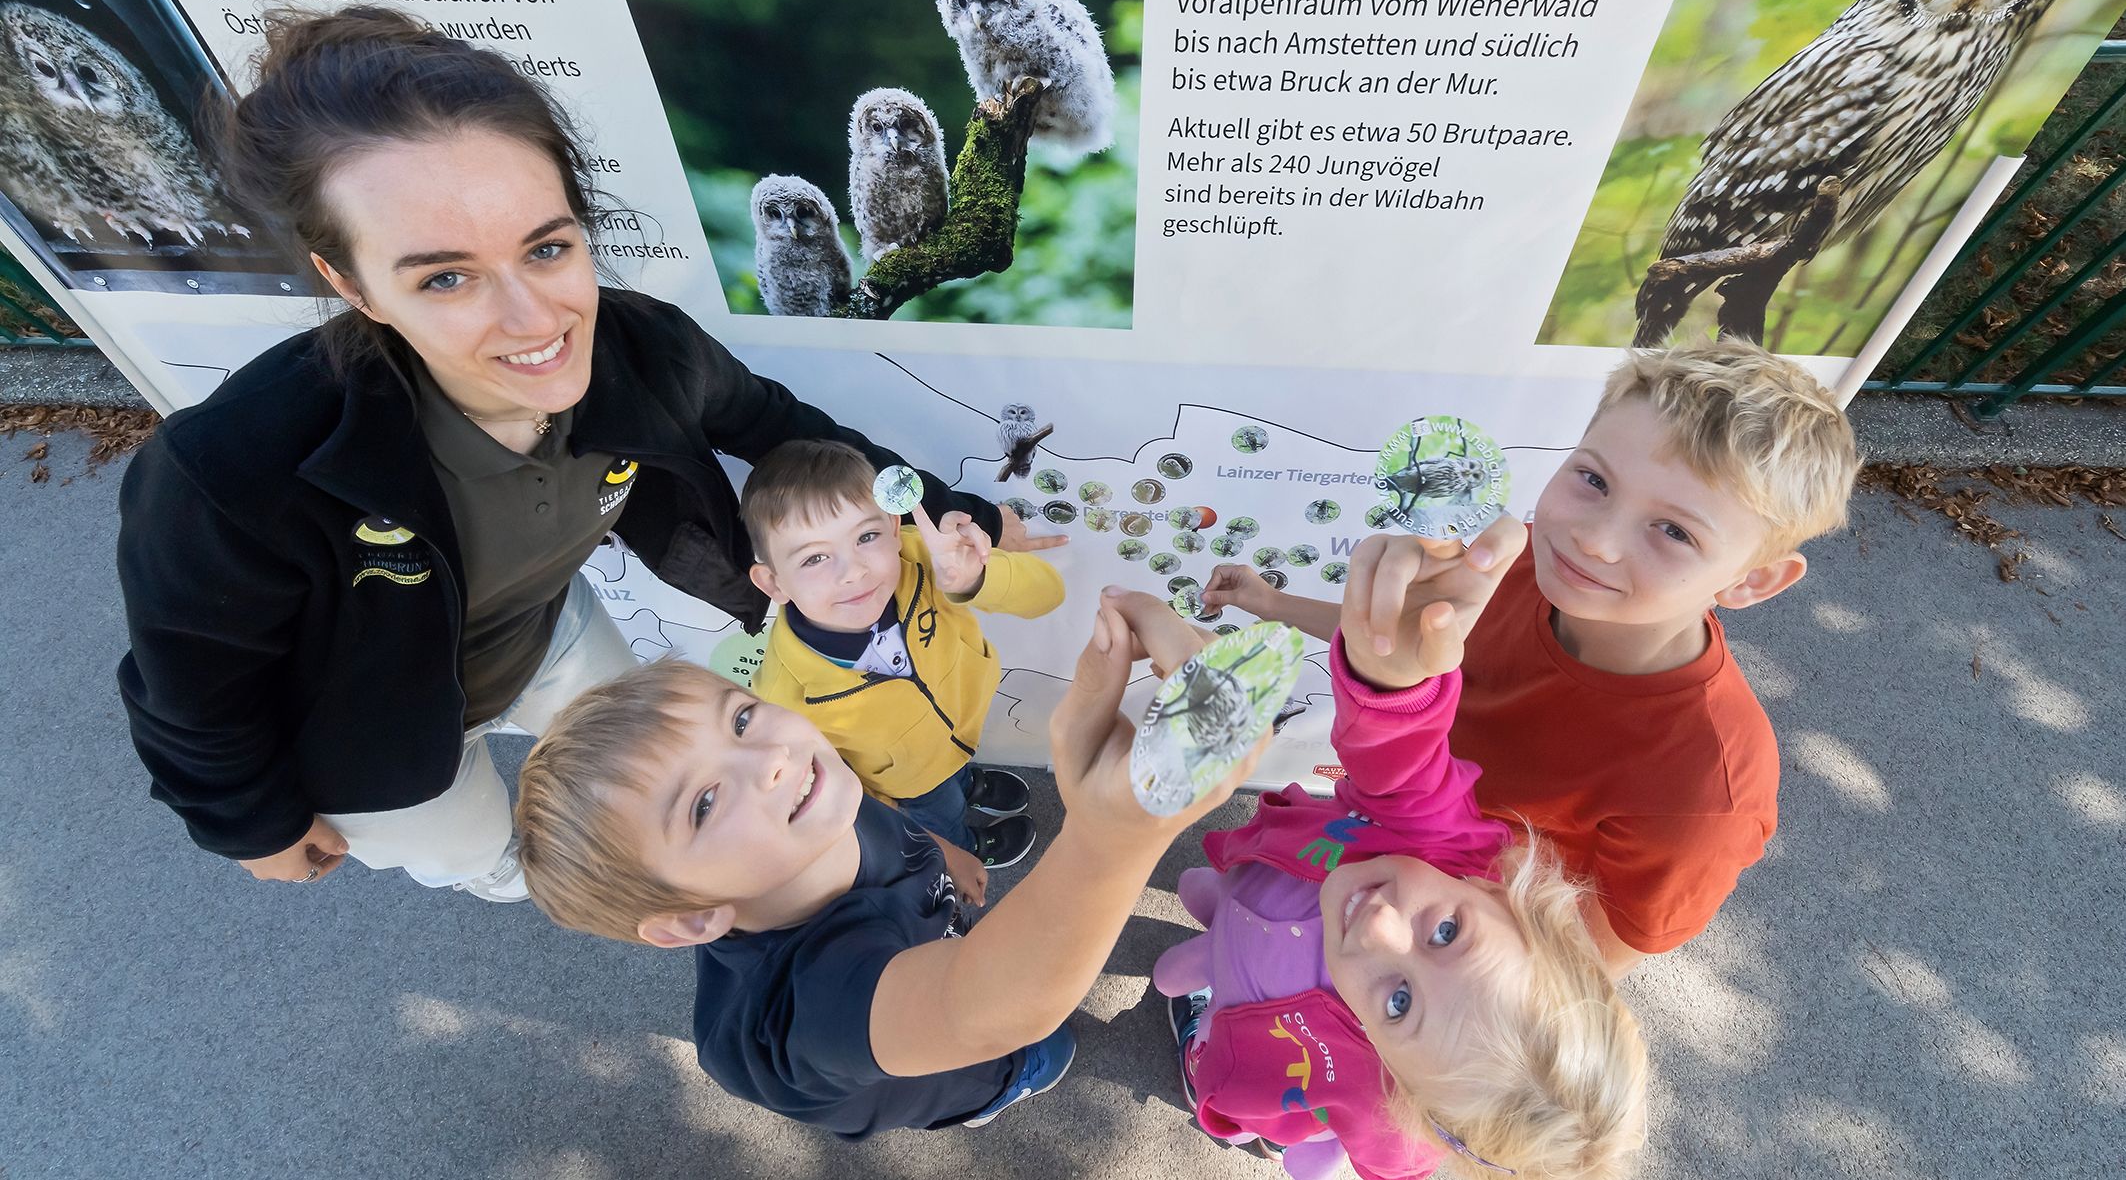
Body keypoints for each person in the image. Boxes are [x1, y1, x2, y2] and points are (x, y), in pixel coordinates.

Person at [114, 6, 1057, 901]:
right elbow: (191, 689)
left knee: (672, 798)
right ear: (348, 282)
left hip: (547, 631)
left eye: (548, 248)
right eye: (446, 277)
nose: (535, 322)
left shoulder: (642, 352)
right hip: (371, 733)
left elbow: (778, 421)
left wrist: (940, 506)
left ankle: (749, 882)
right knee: (510, 858)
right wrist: (250, 824)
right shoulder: (230, 471)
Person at [1204, 339, 1860, 972]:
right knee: (1246, 919)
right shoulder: (1520, 566)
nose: (1593, 538)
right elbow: (1399, 640)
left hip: (1454, 950)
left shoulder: (1706, 787)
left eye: (1674, 530)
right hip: (1386, 833)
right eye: (1594, 479)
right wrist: (1273, 603)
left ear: (1752, 580)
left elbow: (1596, 962)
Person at [510, 593, 1270, 1137]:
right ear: (696, 917)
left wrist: (940, 848)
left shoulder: (813, 805)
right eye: (704, 803)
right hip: (947, 1061)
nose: (770, 758)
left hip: (950, 954)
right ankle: (1016, 1082)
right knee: (1028, 1048)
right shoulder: (800, 1014)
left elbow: (883, 819)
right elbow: (977, 1009)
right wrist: (1118, 830)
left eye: (739, 717)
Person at [1156, 528, 1647, 1180]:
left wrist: (1230, 1090)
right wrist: (1391, 681)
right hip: (1265, 884)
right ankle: (1214, 935)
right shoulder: (1446, 847)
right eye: (1447, 931)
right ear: (1504, 897)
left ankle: (1200, 1034)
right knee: (1199, 923)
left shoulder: (1390, 1106)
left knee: (1195, 1014)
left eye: (1398, 1004)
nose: (1379, 925)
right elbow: (1406, 759)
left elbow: (1384, 1154)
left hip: (1260, 1033)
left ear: (1401, 1087)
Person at [741, 440, 1064, 868]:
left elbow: (1049, 595)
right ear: (773, 584)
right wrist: (896, 817)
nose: (854, 571)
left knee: (959, 771)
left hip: (965, 722)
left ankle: (971, 783)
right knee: (942, 814)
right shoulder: (784, 695)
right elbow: (831, 778)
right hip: (913, 782)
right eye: (815, 557)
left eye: (867, 536)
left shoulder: (930, 558)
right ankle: (967, 848)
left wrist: (977, 576)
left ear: (895, 529)